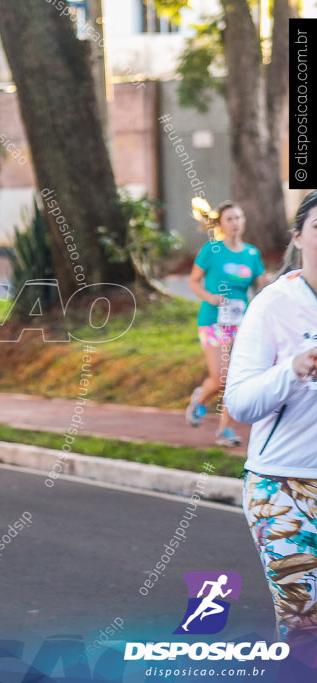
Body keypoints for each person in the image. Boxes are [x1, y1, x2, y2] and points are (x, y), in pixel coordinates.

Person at [226, 190, 317, 657]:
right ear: (299, 236)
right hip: (285, 489)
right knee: (306, 628)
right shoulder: (274, 305)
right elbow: (239, 403)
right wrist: (293, 370)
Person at [186, 201, 268, 447]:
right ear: (221, 223)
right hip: (212, 321)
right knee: (221, 378)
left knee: (235, 377)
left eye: (239, 218)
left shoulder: (252, 254)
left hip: (240, 324)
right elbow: (193, 281)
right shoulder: (212, 250)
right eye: (230, 219)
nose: (236, 223)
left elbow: (263, 285)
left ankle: (225, 431)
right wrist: (210, 297)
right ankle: (201, 398)